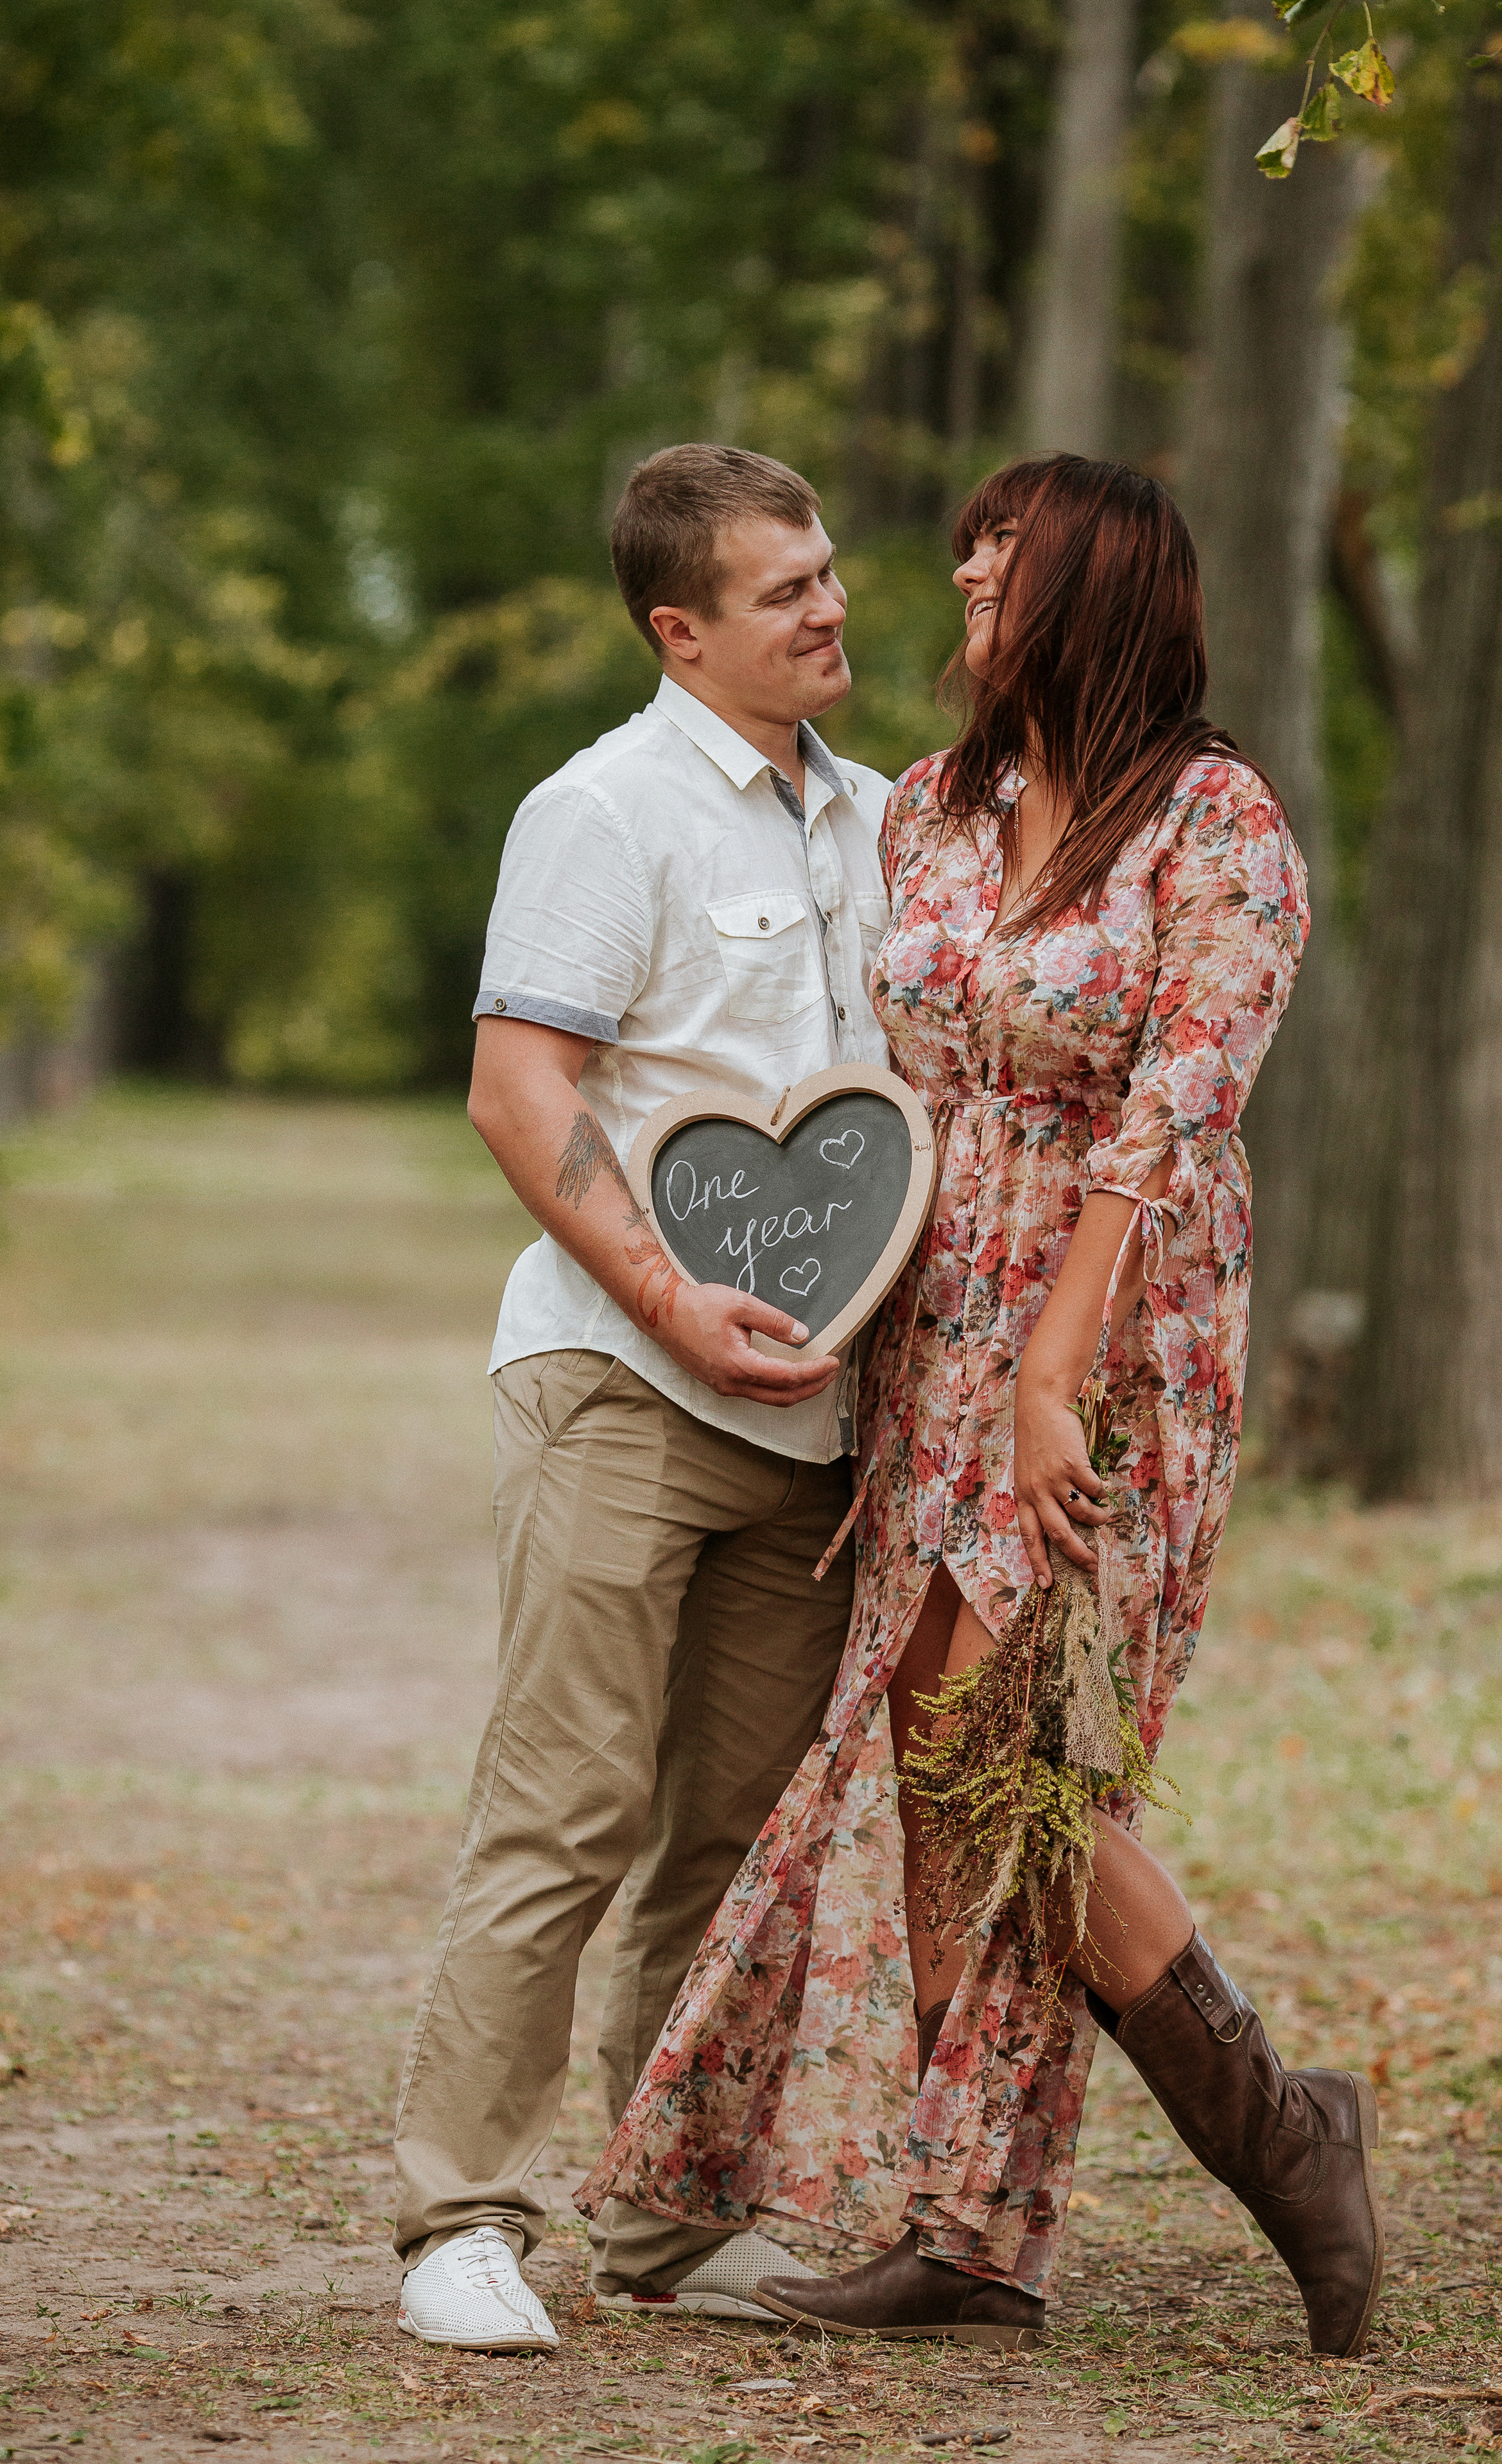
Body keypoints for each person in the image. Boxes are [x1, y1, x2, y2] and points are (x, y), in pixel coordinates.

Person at [581, 454, 1383, 2357]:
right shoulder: (935, 807)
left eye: (996, 559)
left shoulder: (1216, 822)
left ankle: (1284, 2138)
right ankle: (973, 2232)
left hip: (1124, 1339)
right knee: (943, 1763)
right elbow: (882, 1069)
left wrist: (1052, 1370)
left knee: (1008, 1740)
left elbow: (1174, 1117)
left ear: (1090, 590)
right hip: (935, 1329)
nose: (958, 581)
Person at [393, 444, 895, 2350]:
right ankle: (459, 2223)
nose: (831, 607)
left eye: (827, 570)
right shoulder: (601, 811)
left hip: (817, 1422)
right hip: (620, 1379)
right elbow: (517, 1091)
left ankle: (672, 2221)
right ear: (680, 631)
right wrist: (677, 1301)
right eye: (785, 590)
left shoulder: (880, 821)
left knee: (730, 1838)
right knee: (569, 1805)